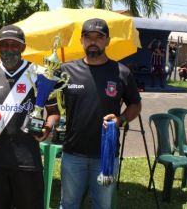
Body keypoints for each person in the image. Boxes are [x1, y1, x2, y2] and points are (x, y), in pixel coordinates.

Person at [0, 24, 59, 209]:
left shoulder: (39, 74)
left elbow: (54, 113)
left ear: (23, 47)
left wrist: (47, 128)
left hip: (28, 159)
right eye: (4, 45)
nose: (9, 49)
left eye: (14, 45)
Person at [59, 18, 142, 208]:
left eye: (99, 37)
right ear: (81, 40)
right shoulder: (66, 71)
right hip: (73, 154)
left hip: (106, 155)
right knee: (68, 204)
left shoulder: (121, 72)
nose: (93, 41)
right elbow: (46, 96)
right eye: (88, 37)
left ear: (107, 41)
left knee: (102, 206)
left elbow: (135, 105)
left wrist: (120, 119)